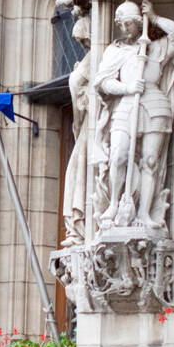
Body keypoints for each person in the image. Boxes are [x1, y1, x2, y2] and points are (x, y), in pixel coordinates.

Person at [92, 0, 174, 231]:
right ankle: (114, 203)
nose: (125, 29)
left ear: (138, 23)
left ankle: (144, 212)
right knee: (119, 155)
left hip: (155, 105)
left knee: (150, 161)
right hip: (126, 104)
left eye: (129, 23)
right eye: (121, 24)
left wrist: (154, 18)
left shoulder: (155, 48)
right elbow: (102, 82)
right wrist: (127, 88)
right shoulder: (115, 51)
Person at [61, 13, 92, 245]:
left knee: (78, 172)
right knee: (76, 173)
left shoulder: (95, 60)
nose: (83, 45)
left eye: (83, 41)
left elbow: (77, 84)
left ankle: (79, 228)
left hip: (94, 126)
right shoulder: (89, 61)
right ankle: (77, 229)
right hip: (87, 127)